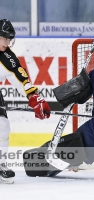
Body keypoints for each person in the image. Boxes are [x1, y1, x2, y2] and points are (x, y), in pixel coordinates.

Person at [0, 19, 51, 183]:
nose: (7, 43)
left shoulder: (7, 56)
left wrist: (33, 97)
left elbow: (21, 78)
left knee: (2, 125)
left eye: (9, 40)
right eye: (4, 38)